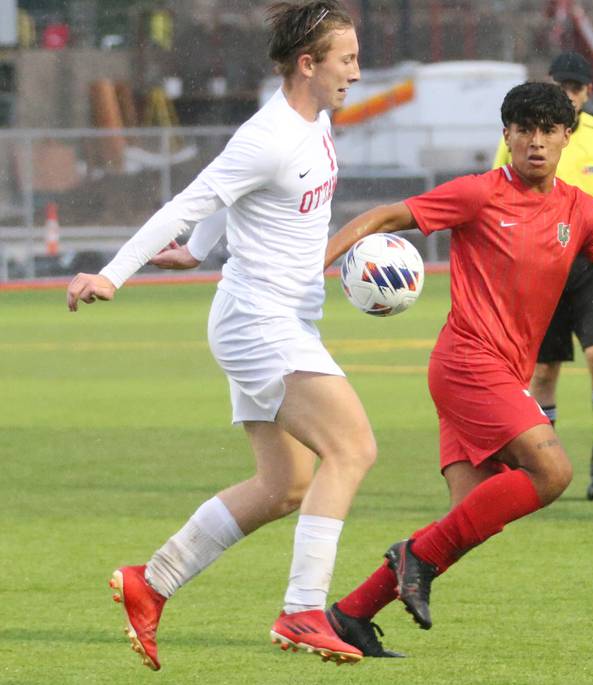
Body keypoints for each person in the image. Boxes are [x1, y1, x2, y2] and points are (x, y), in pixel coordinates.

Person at [317, 82, 593, 656]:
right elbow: (383, 215)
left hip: (498, 374)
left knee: (468, 518)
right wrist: (311, 267)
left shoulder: (583, 210)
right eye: (523, 130)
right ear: (507, 136)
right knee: (551, 473)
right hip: (467, 363)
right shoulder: (478, 194)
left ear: (566, 137)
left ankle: (351, 614)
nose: (536, 142)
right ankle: (410, 560)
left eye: (548, 130)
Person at [66, 1, 371, 669]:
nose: (357, 71)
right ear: (308, 63)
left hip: (279, 318)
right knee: (352, 448)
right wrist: (116, 274)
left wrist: (201, 249)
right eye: (346, 59)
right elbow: (190, 200)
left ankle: (152, 581)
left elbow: (235, 201)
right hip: (258, 321)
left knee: (284, 484)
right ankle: (302, 609)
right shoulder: (269, 134)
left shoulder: (314, 119)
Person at [493, 52, 593, 500]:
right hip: (539, 267)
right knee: (544, 372)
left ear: (588, 92)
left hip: (592, 262)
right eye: (561, 84)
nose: (568, 93)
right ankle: (541, 464)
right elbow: (497, 193)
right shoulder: (522, 133)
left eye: (576, 87)